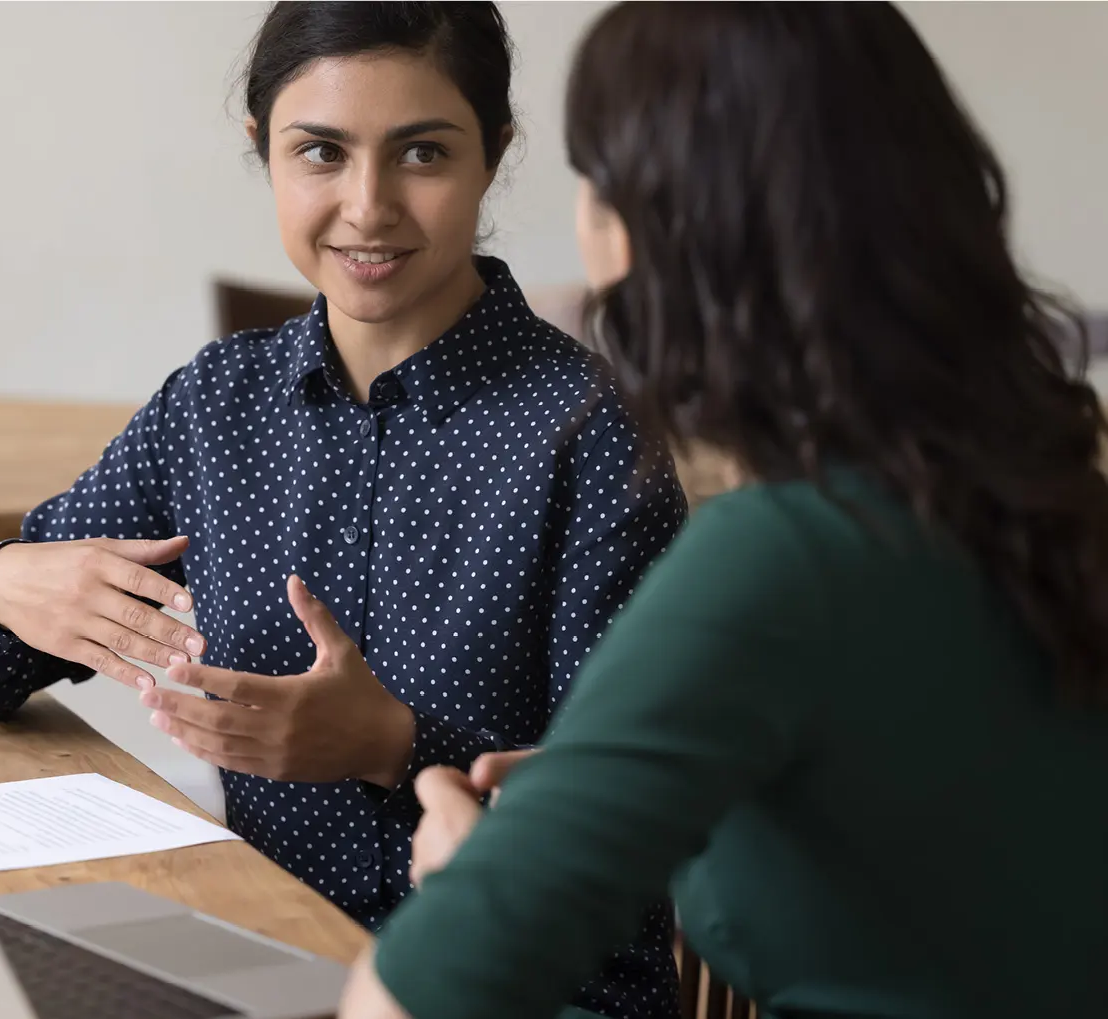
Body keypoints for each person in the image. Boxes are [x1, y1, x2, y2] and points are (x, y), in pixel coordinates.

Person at [0, 3, 686, 1017]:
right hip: (270, 964)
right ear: (263, 152)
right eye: (321, 152)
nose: (367, 207)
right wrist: (4, 583)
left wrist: (393, 745)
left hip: (530, 990)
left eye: (422, 153)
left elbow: (644, 819)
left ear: (494, 154)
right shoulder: (215, 403)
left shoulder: (594, 437)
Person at [337, 3, 1108, 1018]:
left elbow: (402, 1000)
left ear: (652, 235)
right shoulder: (1049, 499)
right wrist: (646, 778)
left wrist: (473, 876)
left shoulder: (775, 556)